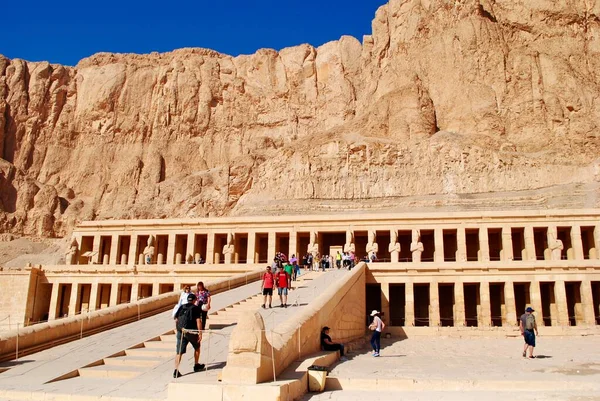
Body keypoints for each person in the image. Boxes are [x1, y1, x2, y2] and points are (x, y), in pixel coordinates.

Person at [173, 293, 204, 377]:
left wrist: (179, 329)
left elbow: (176, 319)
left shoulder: (182, 307)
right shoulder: (196, 308)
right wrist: (200, 333)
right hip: (191, 332)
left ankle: (176, 370)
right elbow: (198, 321)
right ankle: (196, 365)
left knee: (179, 352)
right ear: (194, 300)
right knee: (197, 347)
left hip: (181, 331)